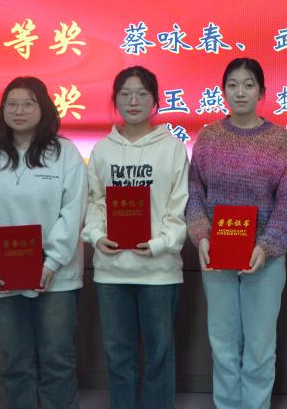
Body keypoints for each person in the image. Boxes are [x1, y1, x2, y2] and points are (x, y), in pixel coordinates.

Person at [0, 76, 87, 409]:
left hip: (56, 276)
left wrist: (52, 261)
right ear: (2, 110)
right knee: (16, 360)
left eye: (28, 104)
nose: (19, 111)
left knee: (57, 359)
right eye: (12, 104)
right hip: (3, 275)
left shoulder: (65, 153)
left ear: (43, 108)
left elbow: (73, 211)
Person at [186, 58, 287, 409]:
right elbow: (195, 193)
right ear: (223, 91)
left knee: (260, 348)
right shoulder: (208, 137)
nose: (240, 92)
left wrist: (267, 245)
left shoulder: (279, 140)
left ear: (262, 92)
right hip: (216, 257)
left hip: (264, 261)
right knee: (222, 345)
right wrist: (201, 236)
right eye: (232, 85)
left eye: (249, 85)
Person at [81, 66, 189, 409]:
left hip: (159, 270)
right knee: (118, 355)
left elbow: (179, 206)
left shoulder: (172, 148)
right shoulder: (102, 150)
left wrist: (160, 243)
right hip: (111, 271)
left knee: (159, 355)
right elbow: (95, 201)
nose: (133, 101)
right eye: (125, 94)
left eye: (142, 94)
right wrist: (97, 236)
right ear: (114, 100)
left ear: (155, 101)